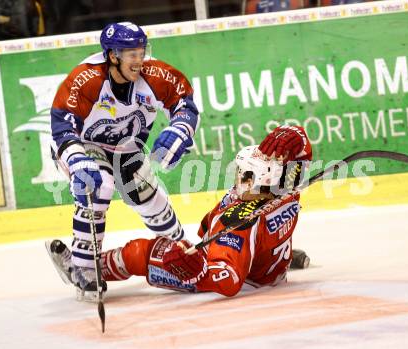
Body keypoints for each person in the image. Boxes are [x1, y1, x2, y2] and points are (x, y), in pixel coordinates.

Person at [48, 126, 312, 297]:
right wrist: (296, 134)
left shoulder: (237, 221)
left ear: (262, 179)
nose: (239, 178)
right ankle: (272, 262)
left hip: (244, 282)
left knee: (144, 251)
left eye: (246, 175)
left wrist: (197, 272)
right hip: (266, 271)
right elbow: (300, 160)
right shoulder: (288, 192)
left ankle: (89, 269)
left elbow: (228, 279)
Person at [47, 21, 199, 299]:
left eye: (141, 52)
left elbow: (185, 105)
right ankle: (84, 267)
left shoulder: (157, 75)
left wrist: (180, 129)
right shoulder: (86, 78)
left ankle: (182, 249)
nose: (139, 60)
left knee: (150, 198)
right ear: (113, 56)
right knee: (99, 185)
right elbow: (62, 125)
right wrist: (77, 158)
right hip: (84, 144)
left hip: (126, 149)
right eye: (131, 54)